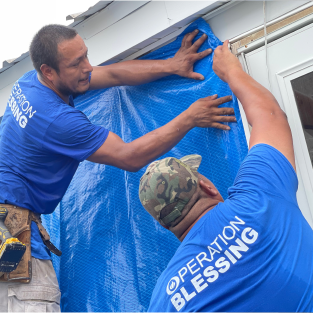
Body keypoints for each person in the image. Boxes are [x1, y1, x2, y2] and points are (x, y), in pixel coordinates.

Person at [0, 25, 232, 311]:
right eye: (77, 64)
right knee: (31, 301)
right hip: (9, 231)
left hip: (6, 220)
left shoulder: (29, 82)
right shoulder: (55, 120)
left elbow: (109, 74)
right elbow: (129, 156)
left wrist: (173, 65)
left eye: (86, 56)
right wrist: (189, 117)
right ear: (49, 71)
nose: (88, 67)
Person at [142, 40, 313, 312]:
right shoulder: (259, 197)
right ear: (206, 186)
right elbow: (270, 117)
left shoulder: (166, 299)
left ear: (166, 225)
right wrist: (230, 71)